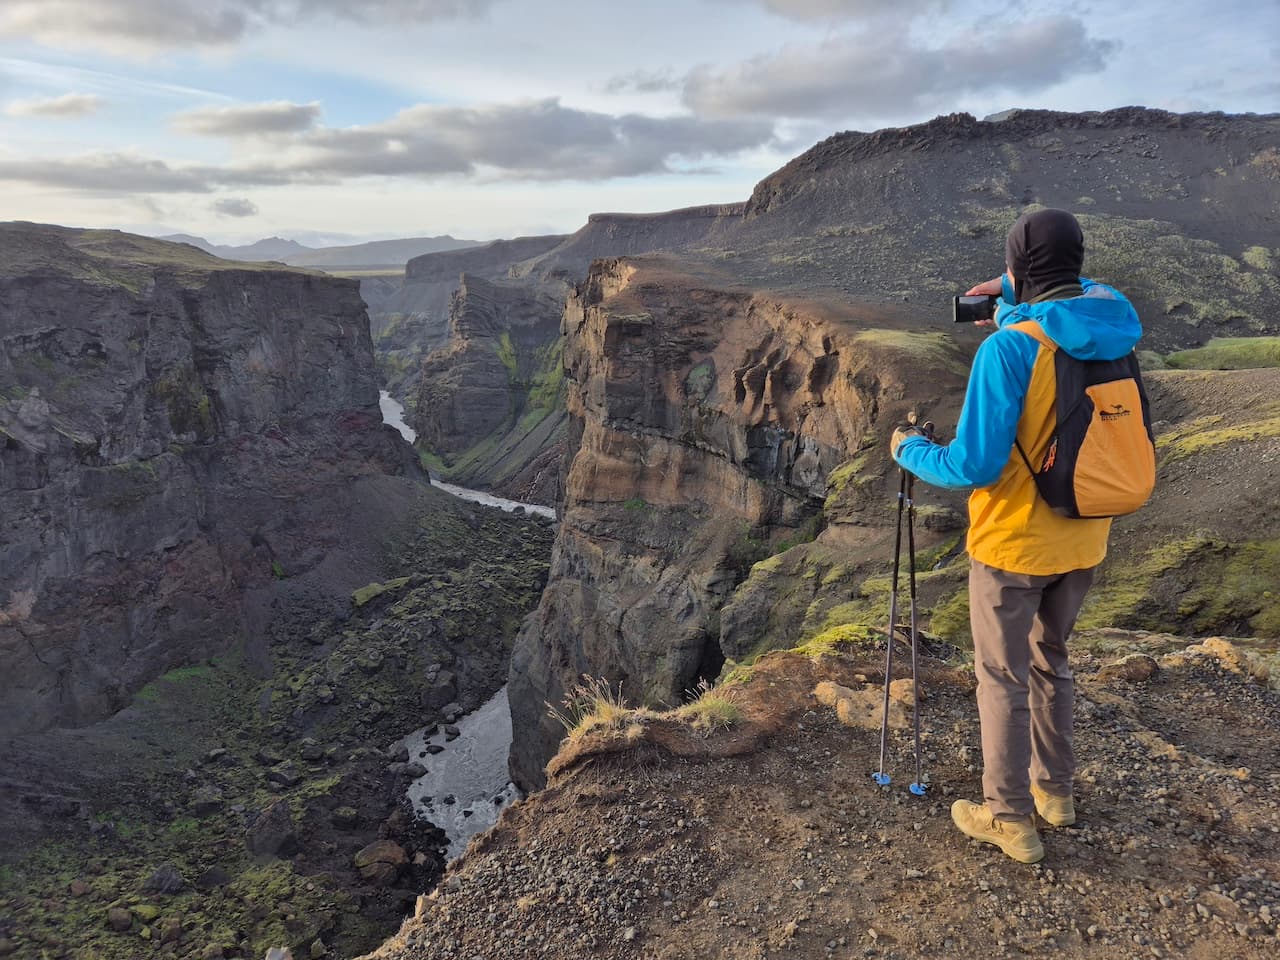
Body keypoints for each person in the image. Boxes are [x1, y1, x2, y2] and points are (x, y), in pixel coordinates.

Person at [890, 208, 1143, 864]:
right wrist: (1013, 293)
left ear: (1020, 269)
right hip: (1084, 536)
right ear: (1076, 263)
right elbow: (1093, 294)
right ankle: (1055, 795)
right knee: (1049, 662)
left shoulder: (1008, 351)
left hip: (1013, 547)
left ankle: (1009, 819)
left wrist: (909, 449)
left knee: (1001, 678)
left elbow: (971, 465)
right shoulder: (1114, 327)